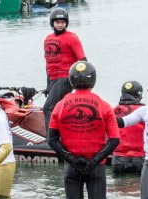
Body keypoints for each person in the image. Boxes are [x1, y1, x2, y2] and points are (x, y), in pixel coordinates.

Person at [48, 61, 120, 199]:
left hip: (71, 166)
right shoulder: (104, 106)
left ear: (71, 80)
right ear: (93, 80)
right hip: (96, 167)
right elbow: (115, 140)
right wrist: (94, 161)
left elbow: (52, 140)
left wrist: (72, 159)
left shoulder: (59, 105)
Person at [43, 7, 87, 140]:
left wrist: (82, 84)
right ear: (52, 23)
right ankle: (64, 135)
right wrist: (48, 86)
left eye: (63, 22)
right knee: (59, 109)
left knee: (48, 108)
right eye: (57, 22)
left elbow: (83, 61)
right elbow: (48, 64)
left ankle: (51, 139)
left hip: (65, 78)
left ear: (66, 23)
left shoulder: (72, 38)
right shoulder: (47, 39)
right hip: (54, 79)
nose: (60, 24)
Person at [112, 81, 145, 175]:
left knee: (118, 187)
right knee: (139, 188)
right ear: (139, 96)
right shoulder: (145, 111)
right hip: (139, 159)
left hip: (118, 160)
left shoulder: (112, 111)